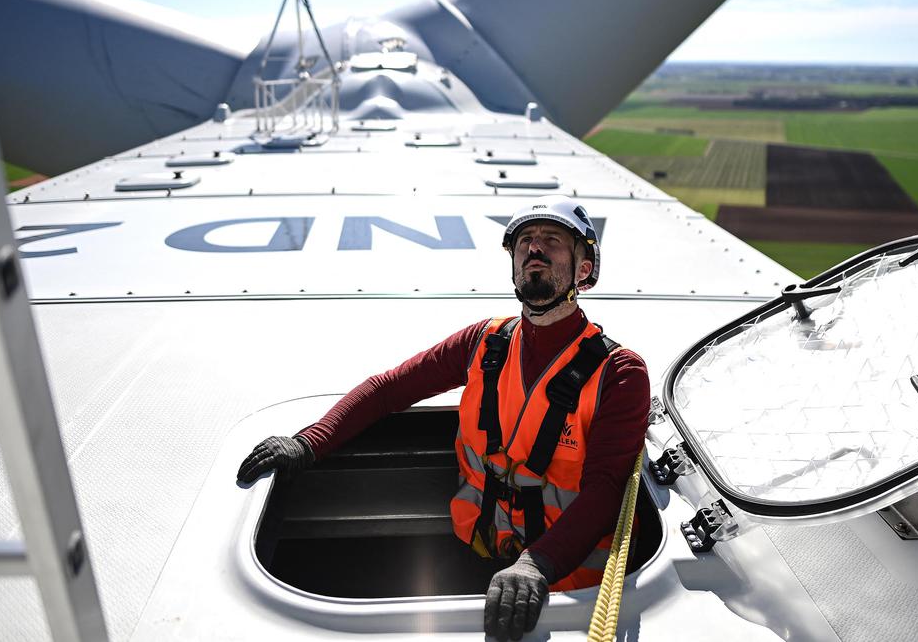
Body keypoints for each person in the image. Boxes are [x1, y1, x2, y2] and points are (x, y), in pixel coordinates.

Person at [237, 196, 649, 641]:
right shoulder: (484, 341)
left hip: (568, 589)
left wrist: (535, 564)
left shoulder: (620, 372)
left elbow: (606, 488)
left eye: (552, 241)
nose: (534, 249)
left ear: (583, 270)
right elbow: (389, 389)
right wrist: (308, 443)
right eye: (525, 241)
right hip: (478, 554)